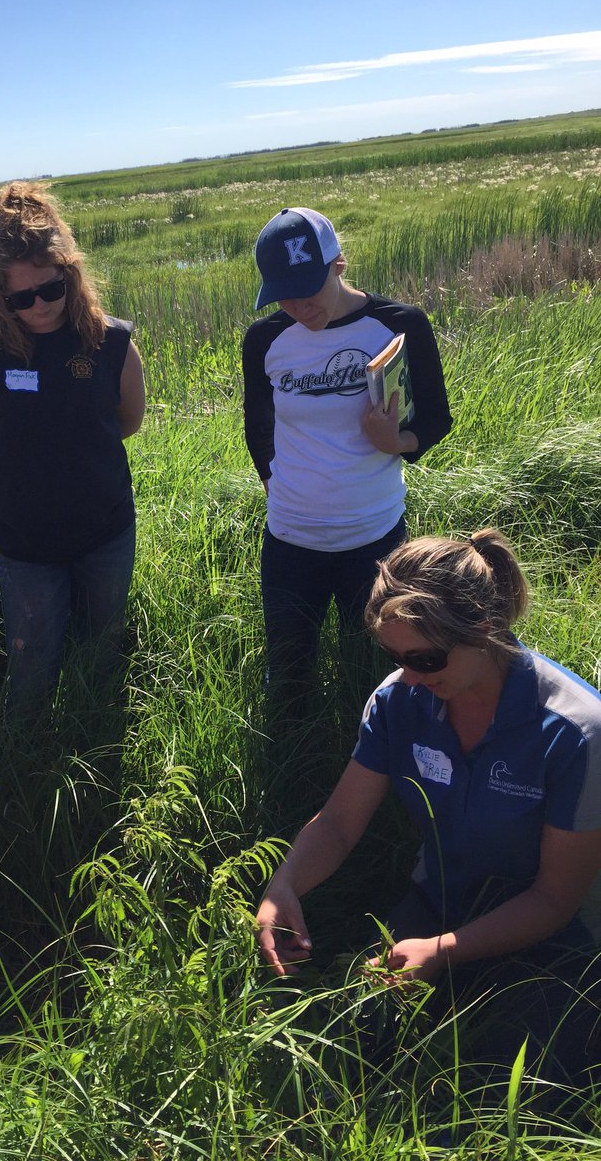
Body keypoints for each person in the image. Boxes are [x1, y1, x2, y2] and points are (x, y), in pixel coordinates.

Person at [256, 529, 601, 1081]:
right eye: (394, 656)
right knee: (345, 1040)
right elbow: (342, 822)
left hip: (554, 933)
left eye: (425, 657)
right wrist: (286, 884)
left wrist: (440, 952)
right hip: (440, 902)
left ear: (483, 628)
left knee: (517, 1084)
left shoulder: (576, 732)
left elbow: (556, 898)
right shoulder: (401, 699)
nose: (410, 675)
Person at [0, 182, 145, 717]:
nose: (38, 306)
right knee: (31, 664)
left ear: (70, 274)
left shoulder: (109, 341)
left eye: (50, 290)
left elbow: (128, 420)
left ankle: (97, 729)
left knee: (103, 650)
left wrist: (71, 453)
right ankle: (26, 751)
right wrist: (17, 460)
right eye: (20, 298)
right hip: (23, 539)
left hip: (105, 528)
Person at [242, 208, 452, 713]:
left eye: (308, 288)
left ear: (339, 264)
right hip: (291, 542)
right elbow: (258, 423)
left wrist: (394, 442)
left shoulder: (399, 326)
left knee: (376, 674)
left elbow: (439, 418)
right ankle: (295, 767)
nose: (297, 306)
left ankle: (379, 759)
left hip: (374, 539)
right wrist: (279, 484)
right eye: (282, 295)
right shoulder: (265, 340)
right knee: (289, 674)